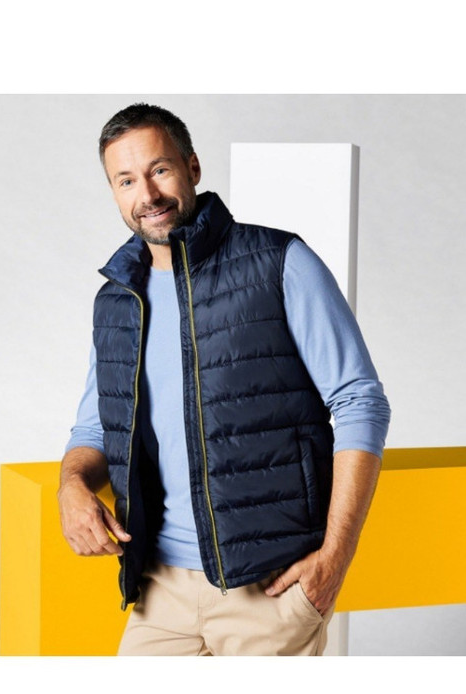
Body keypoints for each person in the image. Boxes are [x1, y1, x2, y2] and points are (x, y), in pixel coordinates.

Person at [58, 103, 391, 656]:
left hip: (269, 588)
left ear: (192, 167)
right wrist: (71, 485)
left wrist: (334, 560)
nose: (148, 194)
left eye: (160, 169)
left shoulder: (279, 261)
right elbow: (96, 428)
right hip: (158, 586)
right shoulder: (117, 301)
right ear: (114, 192)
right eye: (126, 180)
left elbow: (360, 402)